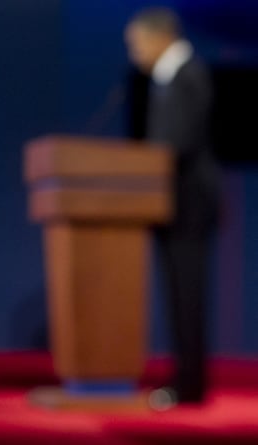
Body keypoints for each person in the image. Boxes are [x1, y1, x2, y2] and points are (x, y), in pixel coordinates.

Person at [124, 7, 220, 408]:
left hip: (190, 204)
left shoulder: (188, 74)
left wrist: (143, 159)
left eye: (136, 43)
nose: (134, 52)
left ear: (160, 37)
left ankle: (191, 385)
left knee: (189, 297)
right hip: (169, 204)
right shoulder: (165, 79)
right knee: (178, 297)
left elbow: (179, 141)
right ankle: (183, 380)